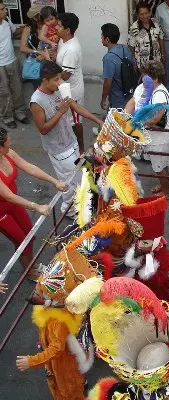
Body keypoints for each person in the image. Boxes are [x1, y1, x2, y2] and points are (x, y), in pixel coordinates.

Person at [16, 246, 98, 400]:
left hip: (64, 365)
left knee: (69, 391)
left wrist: (31, 361)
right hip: (62, 358)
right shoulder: (58, 305)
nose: (38, 290)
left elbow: (56, 349)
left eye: (43, 291)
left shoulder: (59, 321)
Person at [30, 61, 103, 217]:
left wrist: (98, 121)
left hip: (71, 141)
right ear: (45, 80)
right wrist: (61, 111)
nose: (60, 83)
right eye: (56, 79)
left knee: (80, 176)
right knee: (68, 182)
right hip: (59, 149)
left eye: (59, 78)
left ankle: (81, 204)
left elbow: (77, 107)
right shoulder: (36, 101)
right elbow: (43, 129)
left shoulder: (59, 90)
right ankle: (69, 211)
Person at [0, 127, 67, 280]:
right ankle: (29, 272)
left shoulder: (8, 153)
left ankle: (32, 266)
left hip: (13, 203)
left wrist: (55, 181)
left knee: (29, 234)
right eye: (7, 144)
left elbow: (30, 167)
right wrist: (37, 206)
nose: (10, 145)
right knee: (20, 239)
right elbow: (9, 196)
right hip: (1, 211)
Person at [126, 60, 169, 197]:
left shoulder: (160, 94)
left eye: (145, 75)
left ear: (155, 77)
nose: (142, 78)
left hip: (161, 137)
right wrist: (124, 116)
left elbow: (155, 119)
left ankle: (166, 190)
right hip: (150, 134)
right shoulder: (142, 87)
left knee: (160, 166)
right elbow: (133, 101)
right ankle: (163, 184)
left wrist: (135, 123)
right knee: (158, 164)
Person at [122, 196, 169, 304]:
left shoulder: (164, 255)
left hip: (156, 295)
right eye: (138, 241)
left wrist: (149, 266)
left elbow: (157, 281)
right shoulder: (139, 247)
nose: (138, 245)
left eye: (145, 243)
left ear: (156, 241)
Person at [54, 13, 85, 153]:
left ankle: (81, 151)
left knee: (75, 122)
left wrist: (49, 61)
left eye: (59, 25)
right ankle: (72, 147)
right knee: (68, 121)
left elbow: (65, 75)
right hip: (64, 91)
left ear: (67, 30)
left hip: (72, 93)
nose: (56, 27)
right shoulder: (63, 40)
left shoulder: (72, 49)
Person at [0, 0, 29, 129]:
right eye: (2, 9)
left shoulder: (7, 21)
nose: (5, 11)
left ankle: (20, 113)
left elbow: (15, 32)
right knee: (3, 92)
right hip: (0, 66)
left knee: (17, 88)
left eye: (5, 8)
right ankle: (7, 117)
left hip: (12, 61)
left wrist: (28, 28)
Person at [101, 23, 136, 110]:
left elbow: (108, 82)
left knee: (116, 121)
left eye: (102, 36)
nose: (101, 38)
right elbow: (134, 66)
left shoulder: (108, 58)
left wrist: (103, 99)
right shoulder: (125, 48)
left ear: (107, 39)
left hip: (117, 98)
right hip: (129, 93)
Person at [127, 2, 165, 72]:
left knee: (156, 81)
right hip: (142, 64)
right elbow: (131, 46)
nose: (145, 16)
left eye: (146, 13)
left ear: (150, 12)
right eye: (141, 14)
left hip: (156, 61)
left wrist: (162, 54)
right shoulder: (134, 27)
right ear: (137, 15)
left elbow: (161, 38)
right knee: (144, 82)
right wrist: (134, 62)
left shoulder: (156, 23)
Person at [20, 5, 45, 90]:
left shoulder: (48, 26)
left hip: (48, 61)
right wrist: (37, 52)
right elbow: (22, 48)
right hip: (36, 64)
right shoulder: (28, 29)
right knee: (39, 89)